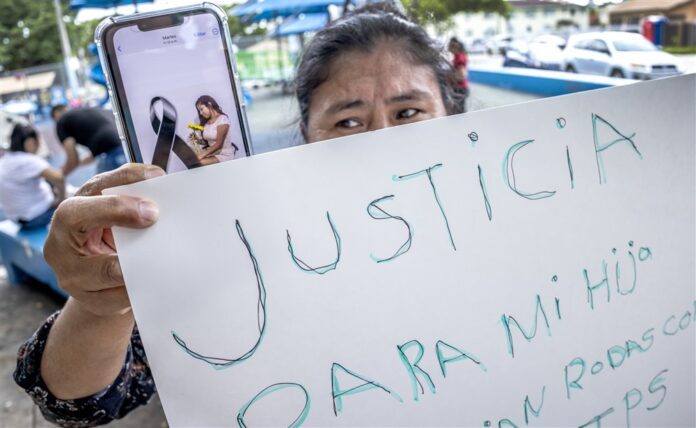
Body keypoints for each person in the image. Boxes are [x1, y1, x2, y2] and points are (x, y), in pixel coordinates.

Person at [14, 4, 464, 426]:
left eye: (409, 112)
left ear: (454, 116)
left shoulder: (522, 218)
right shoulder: (250, 246)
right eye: (348, 121)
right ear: (306, 135)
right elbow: (75, 401)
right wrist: (100, 306)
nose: (379, 140)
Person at [0, 124, 65, 229]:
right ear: (30, 141)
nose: (40, 144)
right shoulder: (27, 160)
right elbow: (59, 178)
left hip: (17, 218)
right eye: (38, 140)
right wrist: (60, 200)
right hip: (37, 217)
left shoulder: (4, 160)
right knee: (78, 205)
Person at [51, 105, 127, 175]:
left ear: (56, 114)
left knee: (98, 187)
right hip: (126, 146)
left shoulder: (61, 121)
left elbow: (72, 159)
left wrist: (58, 176)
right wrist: (79, 162)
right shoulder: (90, 110)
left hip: (110, 153)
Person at [194, 95, 240, 166]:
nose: (200, 113)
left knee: (197, 163)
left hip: (224, 155)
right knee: (192, 161)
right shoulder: (206, 123)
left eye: (201, 109)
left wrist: (201, 155)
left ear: (209, 105)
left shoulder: (223, 120)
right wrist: (198, 141)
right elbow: (209, 142)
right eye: (199, 110)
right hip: (213, 153)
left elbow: (219, 144)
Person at [448, 37, 469, 113]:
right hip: (459, 88)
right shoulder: (458, 56)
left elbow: (462, 76)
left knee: (459, 112)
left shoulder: (460, 57)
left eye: (449, 45)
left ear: (454, 46)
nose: (447, 47)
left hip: (460, 88)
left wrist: (449, 76)